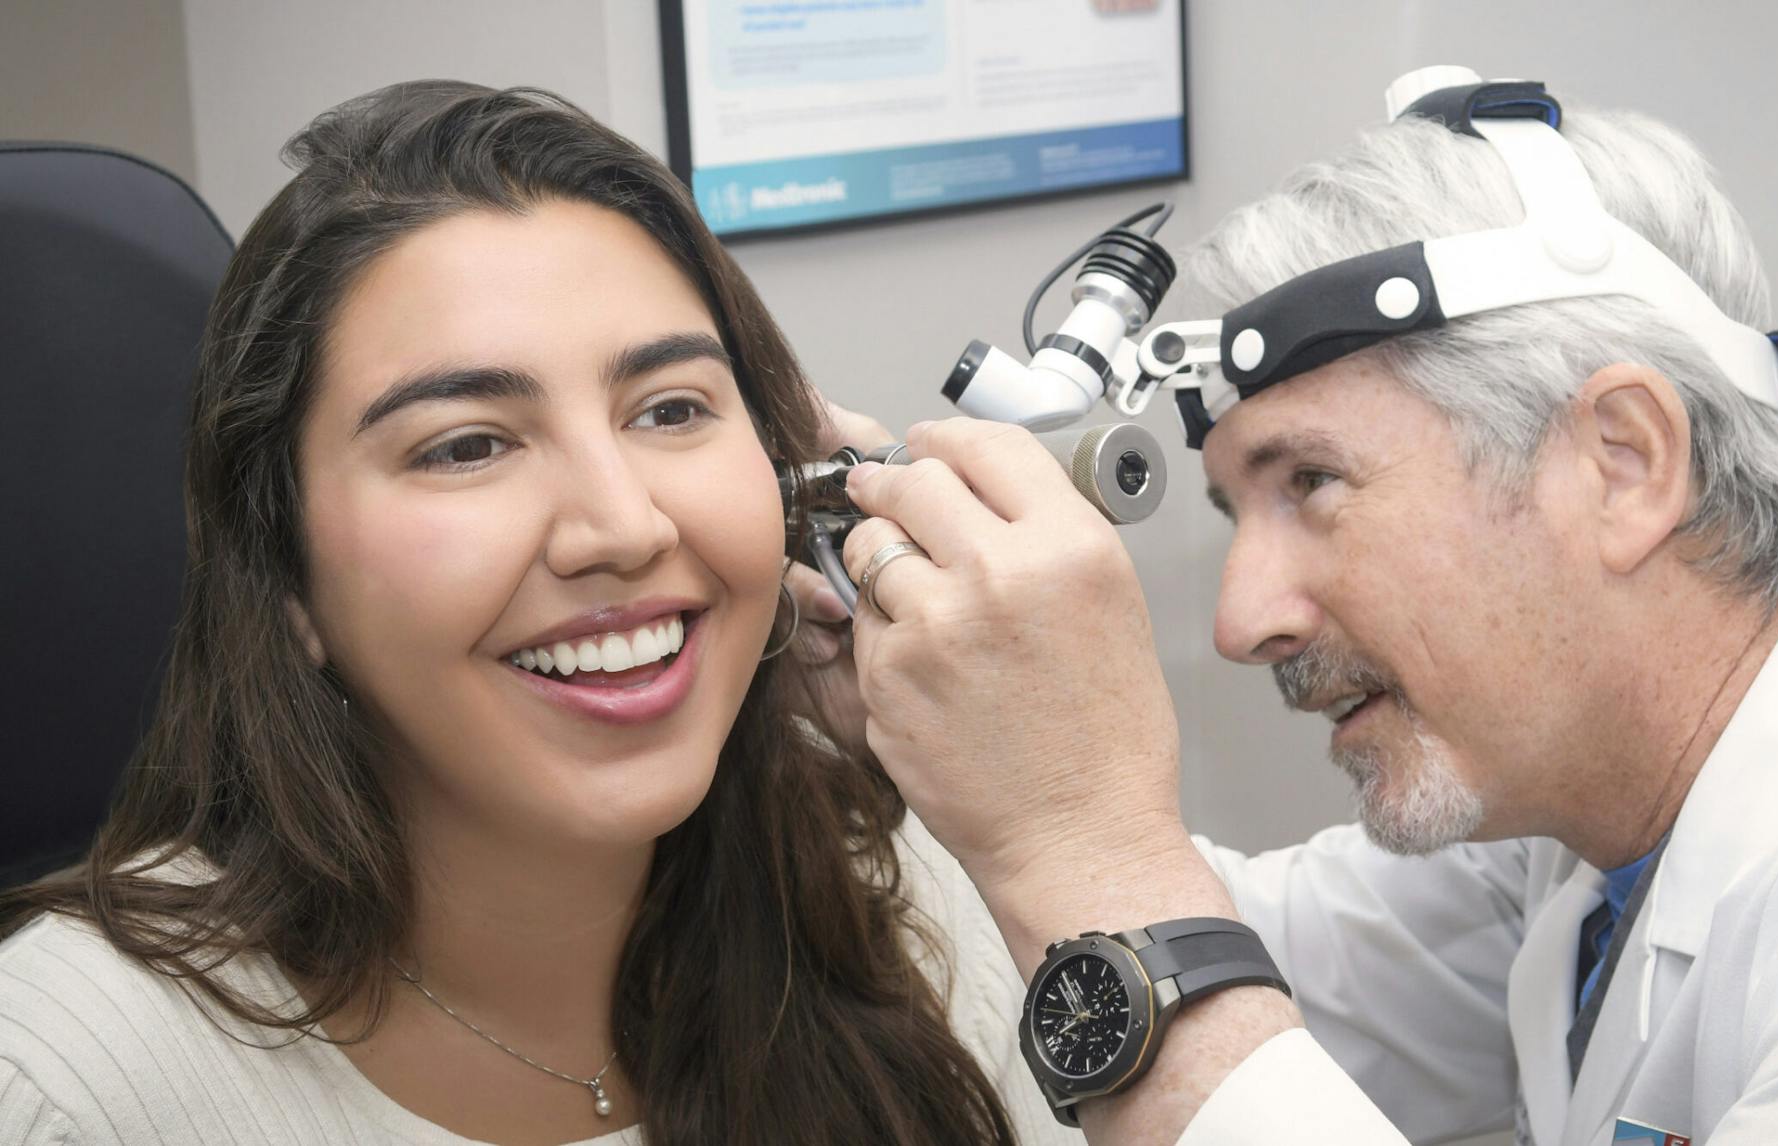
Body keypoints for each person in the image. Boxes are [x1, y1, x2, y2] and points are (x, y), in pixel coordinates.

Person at [828, 74, 1778, 1143]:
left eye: (1311, 480)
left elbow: (1148, 932)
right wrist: (896, 730)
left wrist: (1084, 849)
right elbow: (1279, 964)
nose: (1242, 617)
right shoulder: (1596, 807)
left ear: (1622, 463)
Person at [0, 82, 1081, 1146]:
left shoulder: (896, 900)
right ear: (286, 581)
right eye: (468, 444)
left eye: (670, 410)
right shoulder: (64, 1082)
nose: (621, 525)